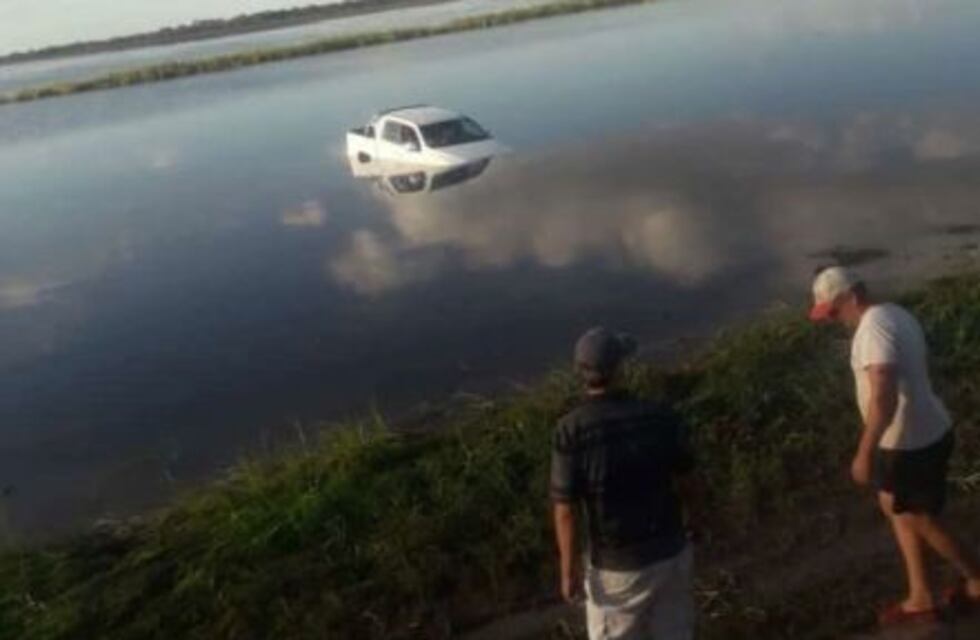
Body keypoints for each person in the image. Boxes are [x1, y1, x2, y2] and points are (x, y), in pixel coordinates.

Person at [809, 266, 980, 626]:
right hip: (919, 432)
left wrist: (864, 451)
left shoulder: (873, 329)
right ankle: (921, 595)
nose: (834, 320)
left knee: (921, 517)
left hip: (910, 442)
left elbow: (883, 395)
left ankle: (976, 579)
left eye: (835, 311)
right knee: (895, 506)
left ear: (852, 296)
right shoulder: (896, 313)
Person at [550, 327, 700, 640]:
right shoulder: (659, 416)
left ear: (581, 373)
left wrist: (568, 572)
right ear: (620, 369)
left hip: (616, 570)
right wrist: (694, 524)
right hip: (670, 552)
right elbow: (688, 480)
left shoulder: (571, 431)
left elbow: (565, 511)